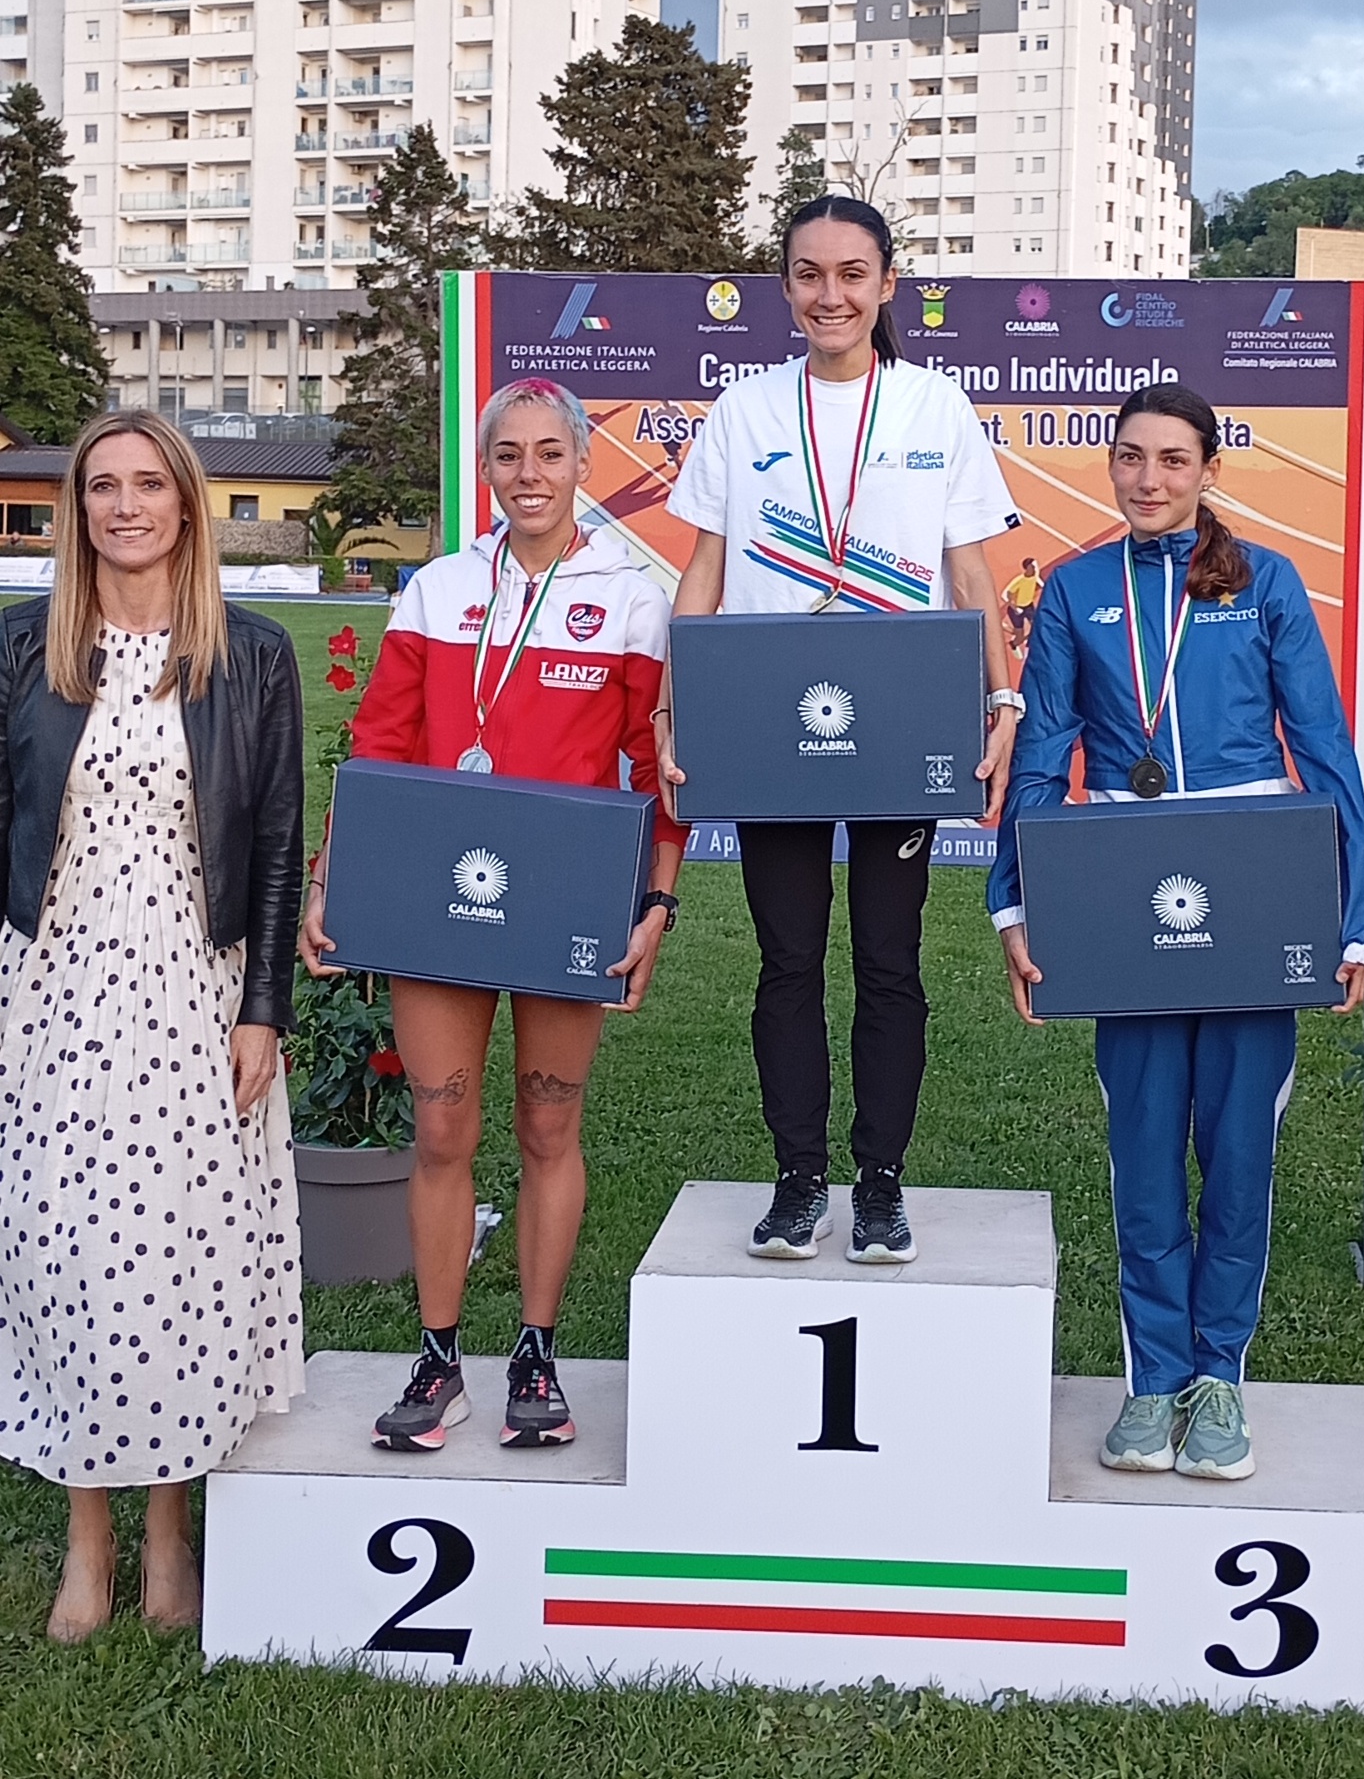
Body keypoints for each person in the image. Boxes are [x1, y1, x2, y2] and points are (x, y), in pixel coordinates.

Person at [989, 384, 1364, 1480]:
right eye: (1130, 457)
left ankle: (1220, 1376)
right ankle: (1153, 1378)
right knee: (1145, 1150)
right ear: (1110, 466)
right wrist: (1016, 903)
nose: (1149, 478)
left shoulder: (1265, 583)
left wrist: (1354, 917)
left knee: (1240, 1151)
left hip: (1253, 892)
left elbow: (1324, 747)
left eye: (1172, 459)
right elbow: (1042, 756)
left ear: (1209, 469)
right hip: (1127, 893)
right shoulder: (1076, 590)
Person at [301, 378, 684, 1453]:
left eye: (549, 453)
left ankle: (536, 1354)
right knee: (440, 1128)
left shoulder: (630, 596)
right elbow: (378, 743)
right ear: (485, 469)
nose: (529, 474)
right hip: (438, 891)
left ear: (582, 465)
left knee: (549, 1126)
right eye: (508, 454)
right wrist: (332, 879)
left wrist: (657, 901)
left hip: (566, 897)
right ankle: (437, 1360)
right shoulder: (438, 589)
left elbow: (660, 771)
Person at [664, 195, 1020, 1264]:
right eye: (810, 274)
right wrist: (675, 701)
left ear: (886, 285)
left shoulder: (934, 406)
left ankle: (879, 1183)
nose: (831, 295)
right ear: (785, 288)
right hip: (771, 717)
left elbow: (970, 573)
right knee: (786, 960)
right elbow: (703, 569)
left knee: (888, 960)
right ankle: (797, 1179)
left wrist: (999, 701)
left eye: (852, 274)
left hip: (901, 715)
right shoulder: (743, 409)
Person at [0, 410, 305, 1641]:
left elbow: (276, 840)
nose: (125, 506)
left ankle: (170, 1524)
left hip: (193, 983)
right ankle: (89, 1531)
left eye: (147, 484)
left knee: (181, 1252)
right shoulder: (24, 647)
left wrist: (264, 1007)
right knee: (63, 1245)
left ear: (186, 503)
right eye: (101, 486)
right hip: (51, 983)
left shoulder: (252, 654)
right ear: (77, 509)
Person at [1001, 555, 1042, 662]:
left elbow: (1037, 584)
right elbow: (1008, 595)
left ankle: (1029, 640)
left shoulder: (1034, 576)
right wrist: (1015, 608)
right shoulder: (1019, 581)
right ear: (1027, 568)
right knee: (1019, 636)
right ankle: (1014, 644)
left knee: (1037, 626)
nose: (1035, 568)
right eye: (1033, 566)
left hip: (1029, 607)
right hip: (1017, 610)